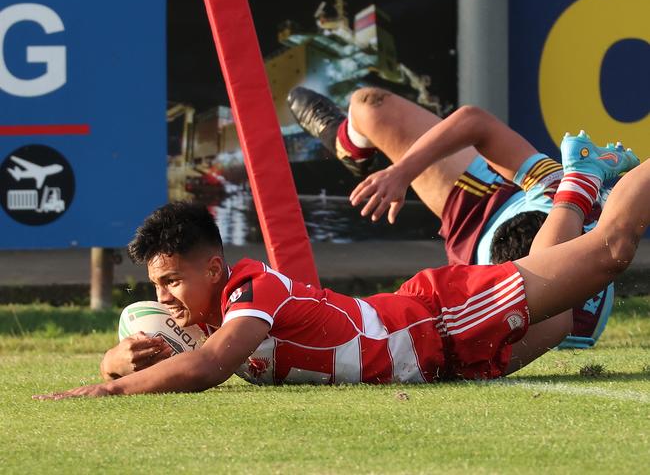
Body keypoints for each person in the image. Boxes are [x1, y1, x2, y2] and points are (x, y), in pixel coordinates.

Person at [34, 138, 644, 399]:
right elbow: (169, 351)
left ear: (215, 267)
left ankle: (588, 184)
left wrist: (111, 389)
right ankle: (580, 180)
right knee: (563, 317)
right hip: (438, 365)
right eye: (156, 287)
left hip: (439, 320)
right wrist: (113, 359)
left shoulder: (252, 288)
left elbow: (210, 366)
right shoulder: (205, 316)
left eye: (171, 280)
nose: (163, 297)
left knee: (611, 252)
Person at [287, 86, 631, 348]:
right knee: (369, 105)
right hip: (498, 197)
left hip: (475, 243)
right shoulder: (562, 193)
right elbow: (474, 121)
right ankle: (348, 145)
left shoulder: (516, 309)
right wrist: (401, 173)